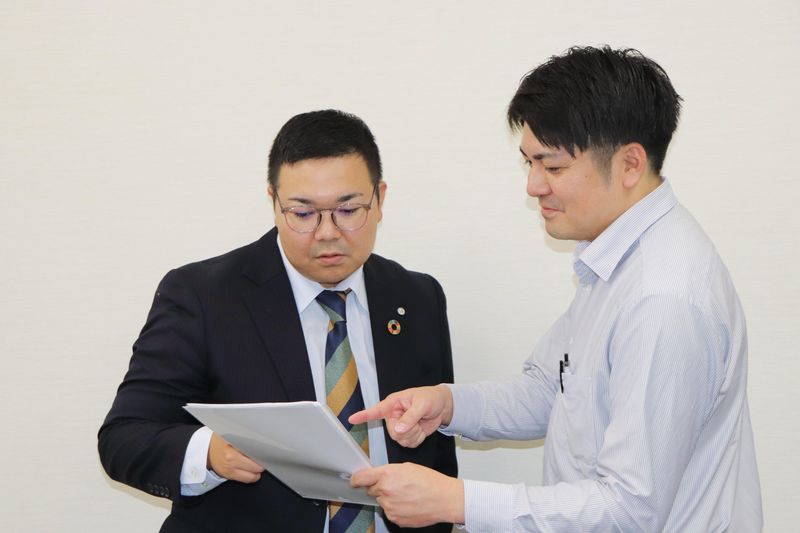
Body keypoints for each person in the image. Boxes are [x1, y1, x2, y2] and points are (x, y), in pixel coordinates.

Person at [349, 46, 763, 532]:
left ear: (630, 164)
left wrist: (459, 501)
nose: (534, 186)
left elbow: (630, 509)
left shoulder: (662, 299)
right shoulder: (614, 259)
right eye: (529, 162)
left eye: (554, 167)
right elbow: (553, 390)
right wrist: (447, 404)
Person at [98, 109, 457, 533]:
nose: (327, 232)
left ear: (379, 199)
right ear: (274, 202)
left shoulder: (416, 297)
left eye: (348, 209)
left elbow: (436, 456)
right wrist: (210, 453)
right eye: (303, 214)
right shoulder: (203, 295)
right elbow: (124, 438)